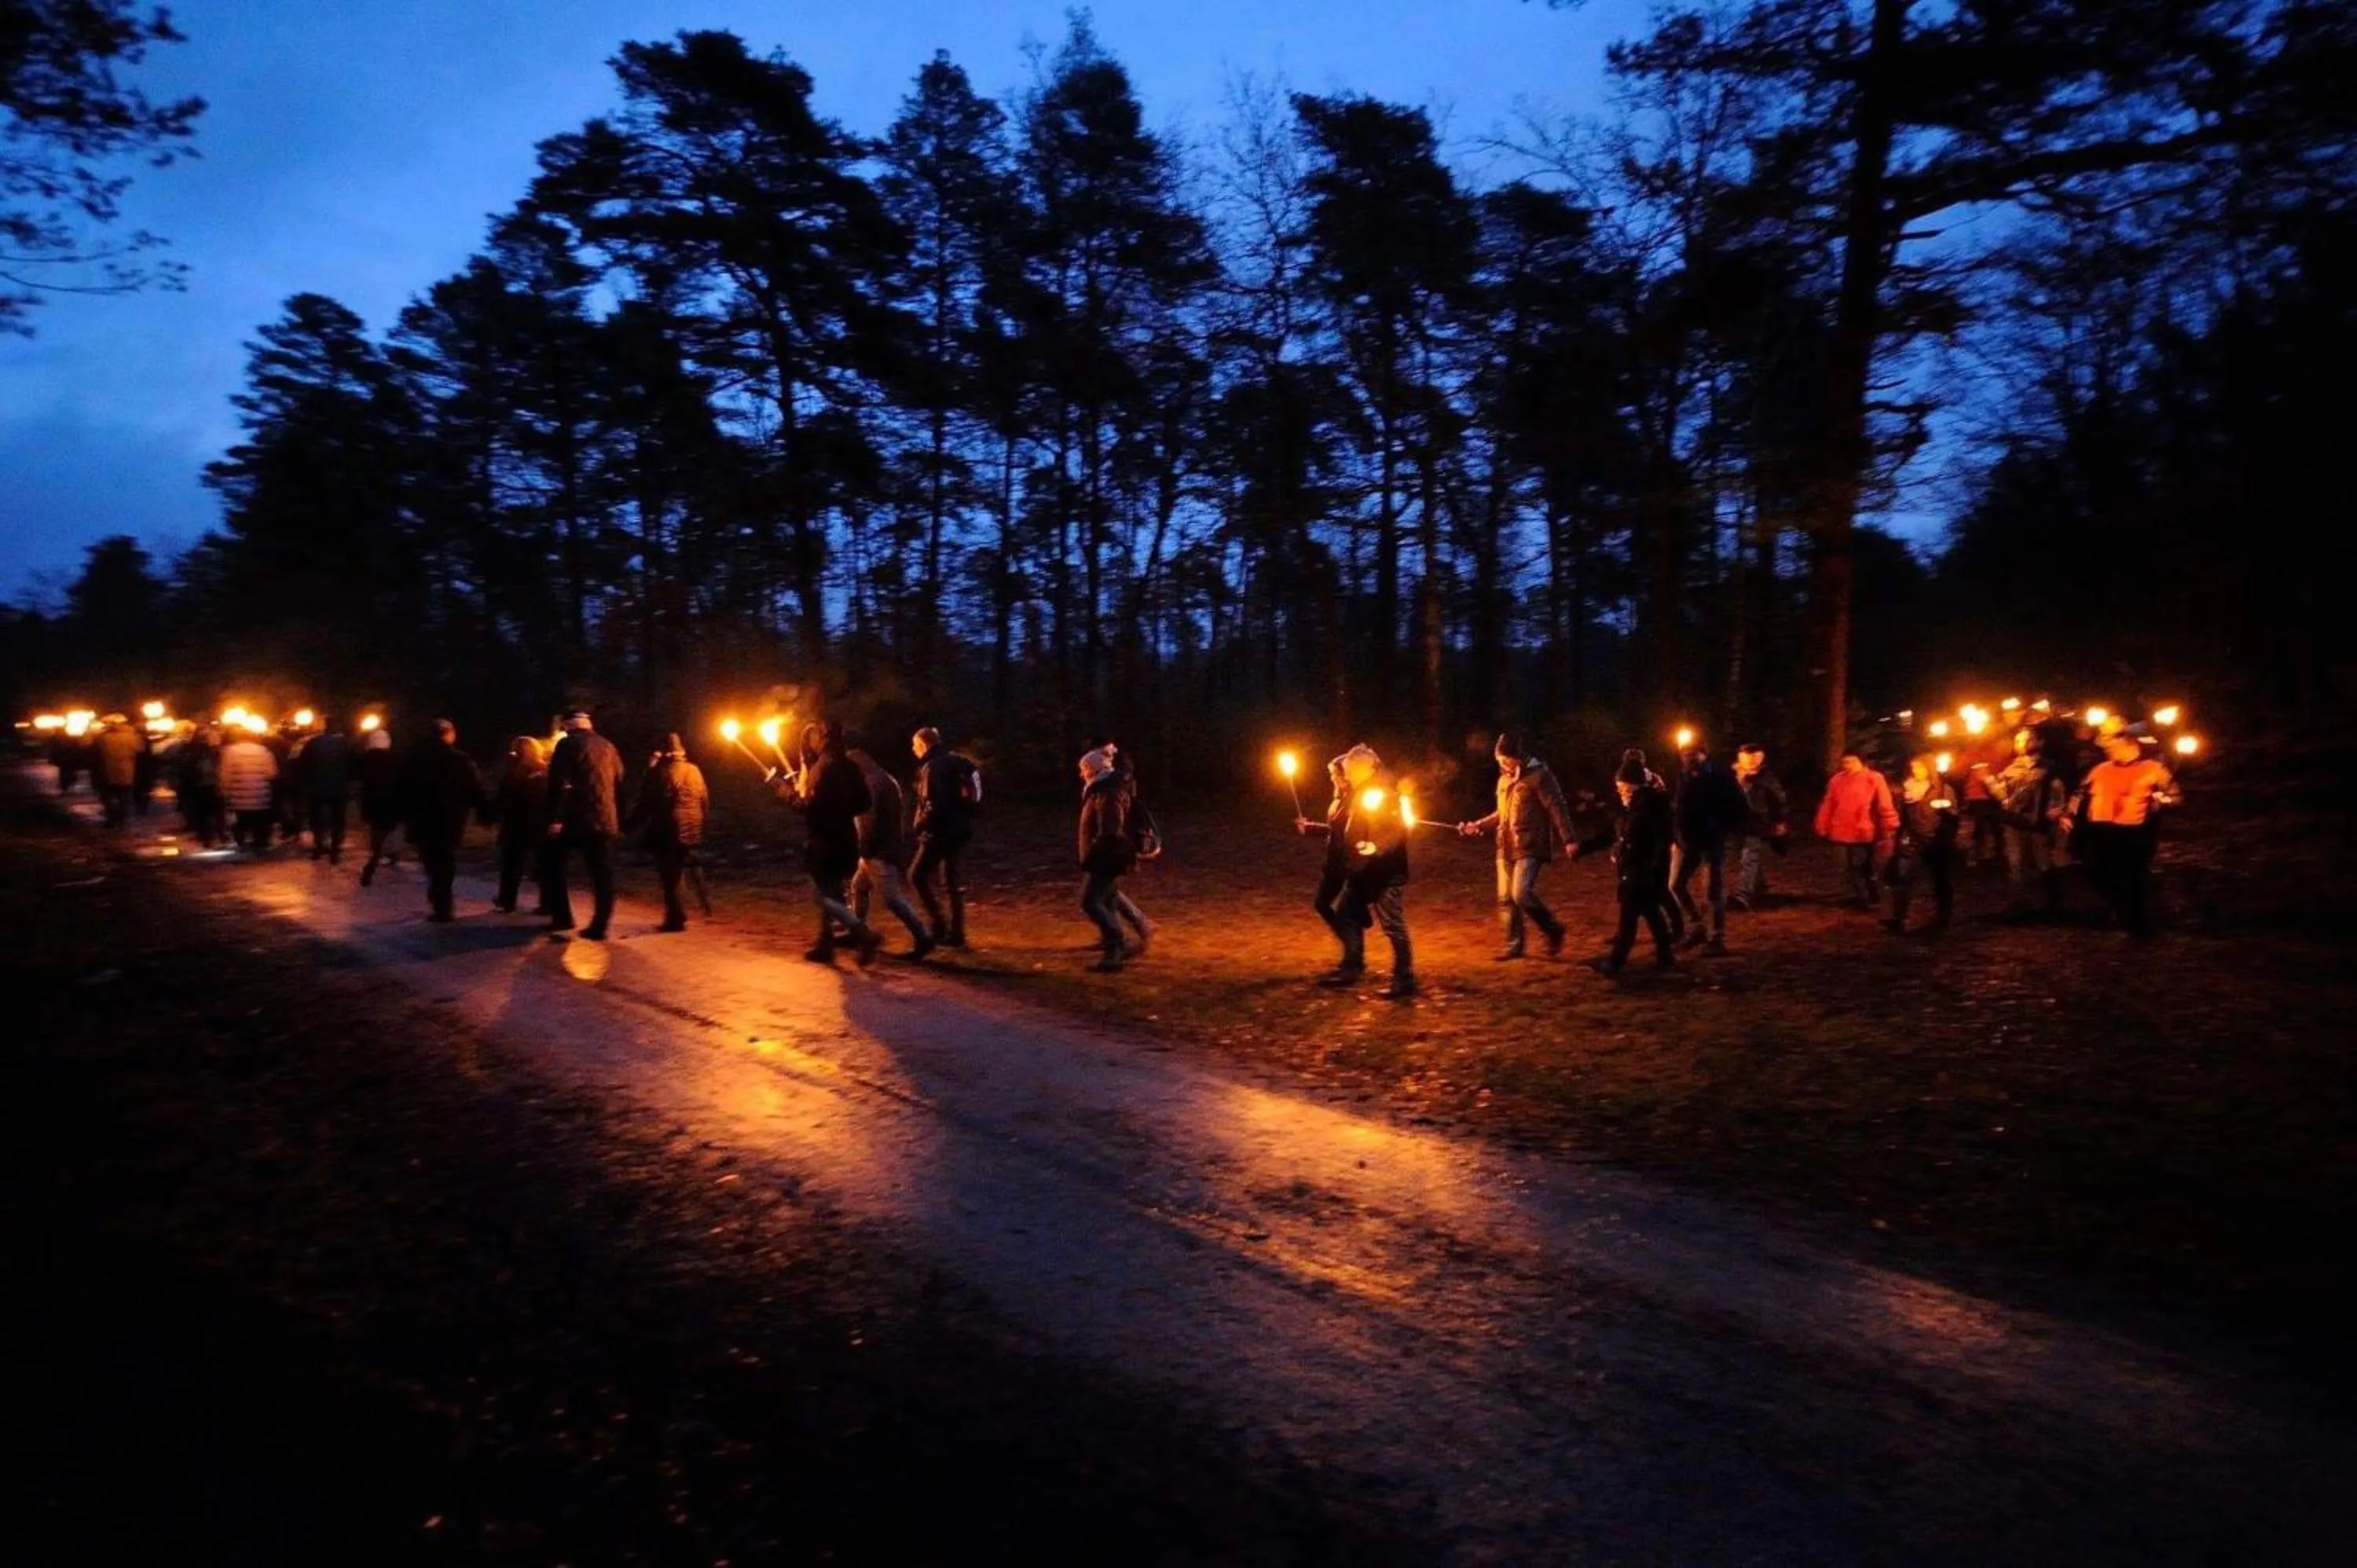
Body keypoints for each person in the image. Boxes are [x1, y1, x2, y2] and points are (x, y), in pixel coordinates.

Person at [771, 720, 882, 965]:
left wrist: (782, 789)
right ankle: (825, 946)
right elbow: (864, 804)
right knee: (831, 893)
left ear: (822, 738)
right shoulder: (851, 767)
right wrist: (839, 808)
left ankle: (863, 935)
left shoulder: (822, 768)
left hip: (824, 842)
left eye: (814, 737)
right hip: (847, 841)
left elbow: (807, 808)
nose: (811, 741)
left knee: (824, 897)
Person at [1458, 732, 1575, 960]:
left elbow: (1556, 807)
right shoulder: (1503, 781)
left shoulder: (1540, 776)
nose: (1502, 764)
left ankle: (1553, 930)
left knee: (1521, 894)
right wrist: (1477, 826)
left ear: (1517, 756)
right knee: (1505, 898)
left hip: (1530, 844)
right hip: (1506, 845)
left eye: (1505, 759)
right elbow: (1502, 814)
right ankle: (1514, 945)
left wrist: (1569, 839)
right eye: (1499, 760)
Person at [2068, 727, 2179, 938]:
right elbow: (2079, 793)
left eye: (2113, 747)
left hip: (2134, 832)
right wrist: (2068, 813)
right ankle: (2125, 912)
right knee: (2095, 870)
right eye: (2108, 748)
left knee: (2131, 878)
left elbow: (2175, 796)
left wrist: (2161, 802)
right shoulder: (2100, 769)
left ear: (2131, 747)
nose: (2108, 751)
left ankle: (2138, 925)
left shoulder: (2153, 769)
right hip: (2102, 830)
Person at [1577, 750, 1677, 975]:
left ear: (1634, 786)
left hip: (1640, 874)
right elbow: (1614, 834)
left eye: (1622, 787)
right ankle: (1666, 956)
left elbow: (1649, 843)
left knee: (1628, 920)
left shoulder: (1647, 810)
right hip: (1639, 873)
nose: (1619, 791)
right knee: (1651, 913)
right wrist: (1584, 849)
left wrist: (1635, 862)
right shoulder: (1632, 809)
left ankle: (1616, 962)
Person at [1326, 748, 1415, 999]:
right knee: (1344, 913)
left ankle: (1404, 978)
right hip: (1363, 872)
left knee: (1393, 926)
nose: (1348, 775)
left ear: (1365, 769)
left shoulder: (1382, 791)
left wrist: (1376, 847)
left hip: (1385, 873)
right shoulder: (1364, 789)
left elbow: (1399, 831)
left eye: (1352, 771)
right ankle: (1352, 967)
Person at [544, 708, 625, 940]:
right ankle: (600, 926)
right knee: (602, 874)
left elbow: (558, 784)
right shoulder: (609, 746)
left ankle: (562, 917)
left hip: (575, 819)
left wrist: (554, 819)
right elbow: (620, 782)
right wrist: (619, 819)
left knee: (552, 865)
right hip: (606, 819)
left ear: (569, 726)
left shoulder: (567, 746)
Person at [398, 718, 488, 922]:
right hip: (450, 821)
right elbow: (475, 788)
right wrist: (485, 812)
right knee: (445, 862)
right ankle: (443, 904)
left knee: (431, 861)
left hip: (422, 820)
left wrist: (402, 814)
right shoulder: (460, 760)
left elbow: (402, 788)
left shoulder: (415, 759)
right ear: (449, 734)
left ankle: (440, 901)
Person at [849, 748, 932, 957]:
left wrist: (863, 849)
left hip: (878, 852)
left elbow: (869, 821)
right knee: (859, 887)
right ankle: (857, 931)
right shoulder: (883, 779)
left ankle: (923, 937)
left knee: (892, 899)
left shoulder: (870, 784)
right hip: (883, 847)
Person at [625, 733, 711, 933]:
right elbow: (705, 801)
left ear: (661, 753)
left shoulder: (660, 772)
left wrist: (627, 827)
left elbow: (646, 803)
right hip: (692, 826)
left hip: (669, 828)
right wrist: (700, 825)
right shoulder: (694, 770)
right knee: (678, 871)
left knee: (669, 874)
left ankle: (675, 919)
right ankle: (681, 914)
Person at [1669, 741, 1750, 954]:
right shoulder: (1683, 776)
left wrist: (1720, 829)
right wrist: (1676, 835)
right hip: (1686, 842)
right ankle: (1697, 927)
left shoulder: (1720, 777)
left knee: (1712, 891)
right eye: (1685, 754)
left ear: (1705, 754)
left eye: (1694, 754)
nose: (1689, 757)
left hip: (1711, 842)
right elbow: (1678, 807)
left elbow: (1739, 808)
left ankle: (1716, 938)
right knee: (1675, 885)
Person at [1296, 749, 1367, 976]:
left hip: (1346, 863)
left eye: (1335, 774)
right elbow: (1334, 831)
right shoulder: (1339, 799)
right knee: (1328, 906)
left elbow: (1352, 833)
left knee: (1344, 910)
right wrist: (1311, 829)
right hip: (1334, 862)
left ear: (1345, 775)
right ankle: (1352, 951)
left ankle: (1353, 958)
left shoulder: (1356, 801)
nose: (1332, 778)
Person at [908, 727, 981, 948]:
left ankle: (939, 925)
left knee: (916, 875)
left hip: (939, 831)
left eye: (914, 745)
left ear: (922, 744)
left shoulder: (932, 767)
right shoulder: (956, 761)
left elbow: (933, 804)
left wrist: (917, 828)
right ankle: (957, 934)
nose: (913, 750)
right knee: (951, 881)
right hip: (960, 829)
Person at [1076, 744, 1142, 973]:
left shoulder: (1108, 792)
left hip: (1107, 856)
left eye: (1084, 769)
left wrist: (1096, 851)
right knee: (1108, 899)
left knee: (1090, 902)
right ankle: (1126, 940)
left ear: (1093, 769)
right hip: (1106, 854)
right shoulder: (1101, 789)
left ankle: (1118, 943)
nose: (1082, 774)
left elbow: (1110, 829)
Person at [1990, 727, 2067, 918]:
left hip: (2038, 823)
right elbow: (2003, 796)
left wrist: (2058, 809)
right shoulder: (2010, 768)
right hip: (2014, 823)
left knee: (2043, 862)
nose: (2022, 745)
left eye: (2027, 740)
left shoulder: (2049, 767)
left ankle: (2054, 900)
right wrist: (1991, 783)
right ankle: (2019, 901)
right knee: (2015, 863)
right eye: (2018, 741)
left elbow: (2058, 791)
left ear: (2039, 742)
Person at [1886, 753, 1960, 933]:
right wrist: (1900, 836)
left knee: (1940, 880)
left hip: (1936, 841)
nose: (1916, 771)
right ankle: (1899, 918)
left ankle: (1943, 917)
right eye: (1913, 768)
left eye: (1920, 767)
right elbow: (1902, 816)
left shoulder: (1942, 789)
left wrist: (1946, 813)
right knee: (1903, 878)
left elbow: (1954, 817)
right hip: (1913, 839)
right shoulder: (1907, 790)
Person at [1814, 751, 1898, 908]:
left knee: (1864, 863)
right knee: (1847, 865)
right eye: (1845, 762)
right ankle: (1859, 894)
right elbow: (1829, 803)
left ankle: (1873, 893)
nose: (1847, 765)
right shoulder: (1837, 780)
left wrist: (1890, 822)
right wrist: (1822, 823)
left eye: (1851, 761)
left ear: (1861, 762)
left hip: (1864, 829)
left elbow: (1884, 802)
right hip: (1841, 828)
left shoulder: (1873, 778)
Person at [491, 735, 552, 914]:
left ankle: (507, 901)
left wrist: (493, 815)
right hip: (539, 824)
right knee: (544, 865)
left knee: (511, 865)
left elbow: (503, 799)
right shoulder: (546, 771)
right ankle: (547, 903)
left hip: (515, 825)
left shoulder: (514, 773)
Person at [1729, 743, 1788, 910]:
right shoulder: (1734, 776)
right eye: (1747, 757)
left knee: (1749, 857)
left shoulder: (1765, 778)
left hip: (1757, 824)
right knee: (1749, 857)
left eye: (1755, 757)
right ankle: (1760, 887)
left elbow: (1778, 800)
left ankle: (1743, 895)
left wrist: (1780, 821)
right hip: (1738, 824)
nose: (1751, 761)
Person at [295, 713, 353, 864]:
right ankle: (335, 851)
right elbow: (353, 765)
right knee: (337, 820)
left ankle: (319, 847)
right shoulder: (344, 744)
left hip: (317, 787)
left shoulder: (313, 743)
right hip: (339, 787)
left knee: (317, 819)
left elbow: (302, 764)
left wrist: (306, 782)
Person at [219, 724, 280, 852]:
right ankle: (261, 843)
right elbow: (272, 773)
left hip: (239, 796)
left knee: (240, 821)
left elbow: (226, 775)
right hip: (260, 795)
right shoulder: (263, 751)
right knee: (260, 821)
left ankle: (241, 841)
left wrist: (225, 790)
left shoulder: (230, 751)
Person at [356, 727, 404, 884]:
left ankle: (377, 856)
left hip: (374, 803)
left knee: (377, 831)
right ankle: (391, 854)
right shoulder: (396, 759)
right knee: (391, 830)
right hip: (392, 802)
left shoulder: (367, 759)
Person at [176, 724, 225, 848]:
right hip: (210, 784)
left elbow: (183, 768)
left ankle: (206, 836)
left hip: (196, 785)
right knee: (217, 812)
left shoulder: (187, 749)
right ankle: (219, 835)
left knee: (202, 813)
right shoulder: (212, 751)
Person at [90, 715, 142, 830]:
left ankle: (112, 819)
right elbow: (140, 749)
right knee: (124, 798)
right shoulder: (132, 737)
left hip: (107, 772)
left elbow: (94, 751)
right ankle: (122, 820)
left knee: (108, 797)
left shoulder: (103, 738)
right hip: (127, 772)